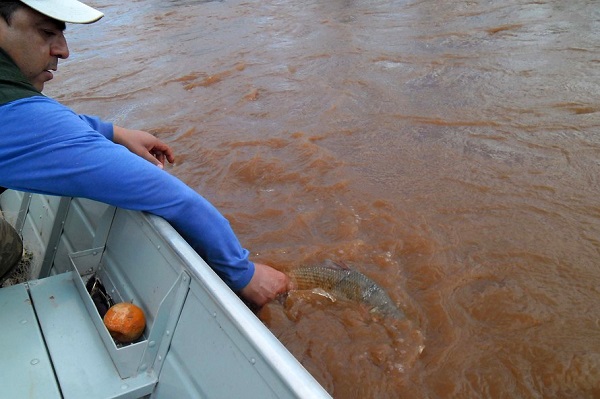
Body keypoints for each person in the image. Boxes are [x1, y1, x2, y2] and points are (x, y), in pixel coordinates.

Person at [0, 0, 290, 305]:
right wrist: (244, 273)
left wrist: (115, 133)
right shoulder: (16, 116)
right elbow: (171, 196)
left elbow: (40, 123)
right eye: (46, 32)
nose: (63, 50)